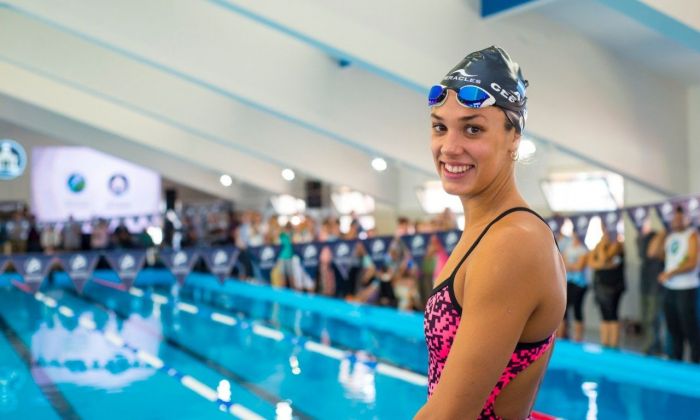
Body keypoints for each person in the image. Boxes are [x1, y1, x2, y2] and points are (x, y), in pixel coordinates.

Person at [415, 46, 565, 419]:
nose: (449, 147)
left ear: (514, 137)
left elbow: (451, 415)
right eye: (440, 127)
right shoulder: (492, 229)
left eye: (473, 128)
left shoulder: (513, 241)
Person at [658, 206, 700, 363]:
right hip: (670, 289)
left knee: (691, 330)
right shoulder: (670, 237)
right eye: (674, 218)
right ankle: (676, 363)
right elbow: (654, 253)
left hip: (687, 288)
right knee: (673, 330)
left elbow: (692, 263)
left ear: (687, 219)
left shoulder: (692, 236)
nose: (676, 221)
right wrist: (663, 233)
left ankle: (696, 365)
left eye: (679, 218)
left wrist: (670, 273)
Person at [589, 225, 625, 348]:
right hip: (601, 285)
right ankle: (605, 343)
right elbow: (591, 263)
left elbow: (604, 259)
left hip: (614, 286)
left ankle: (613, 345)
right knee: (604, 314)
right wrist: (601, 261)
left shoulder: (618, 245)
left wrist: (602, 247)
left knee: (612, 314)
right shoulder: (600, 245)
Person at [638, 219, 666, 355]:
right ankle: (652, 348)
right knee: (646, 319)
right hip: (645, 285)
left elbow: (652, 252)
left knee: (653, 320)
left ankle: (653, 349)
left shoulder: (659, 238)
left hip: (656, 286)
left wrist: (662, 233)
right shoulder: (641, 239)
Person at [560, 233, 589, 342]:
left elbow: (579, 267)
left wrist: (570, 266)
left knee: (577, 309)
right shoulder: (568, 249)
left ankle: (578, 338)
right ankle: (562, 335)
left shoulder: (583, 250)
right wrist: (572, 266)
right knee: (564, 310)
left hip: (579, 284)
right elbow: (563, 264)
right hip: (568, 282)